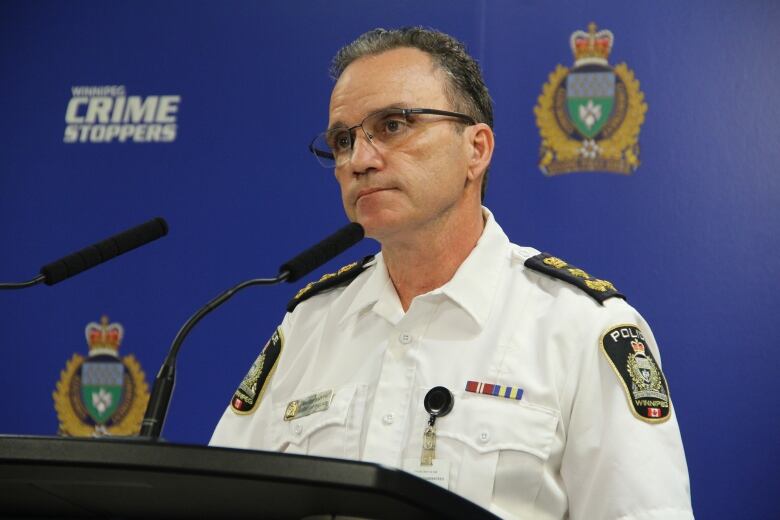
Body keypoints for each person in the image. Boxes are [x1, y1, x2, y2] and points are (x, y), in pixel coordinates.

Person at [211, 27, 693, 519]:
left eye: (394, 125)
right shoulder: (309, 325)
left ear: (476, 150)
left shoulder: (582, 329)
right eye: (342, 139)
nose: (360, 159)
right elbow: (224, 502)